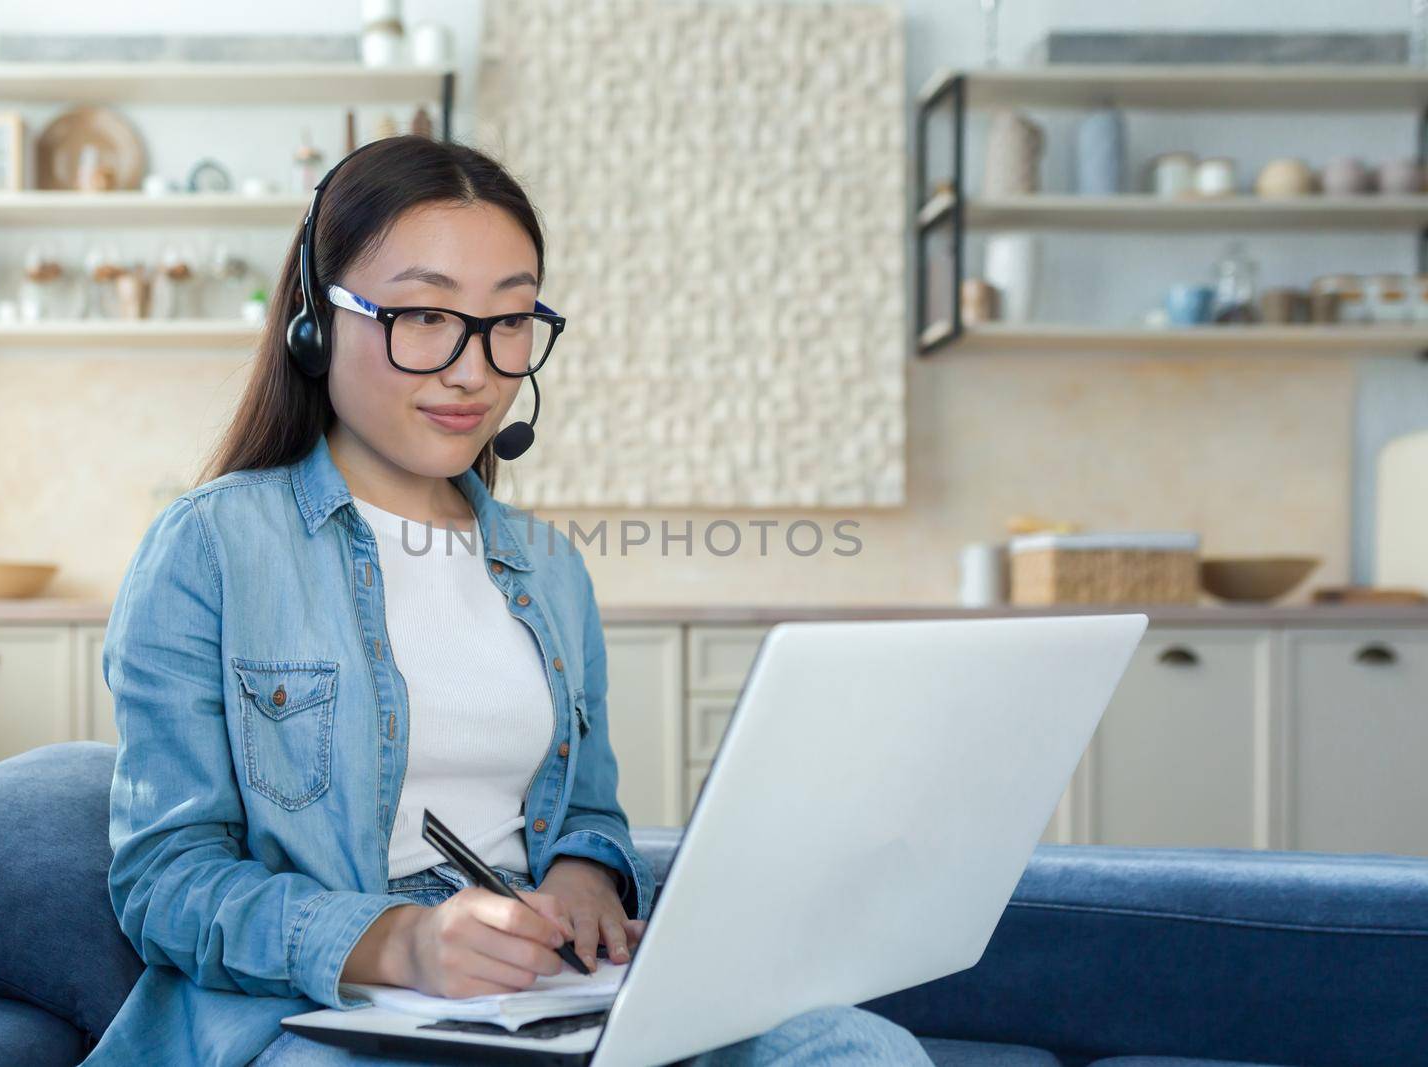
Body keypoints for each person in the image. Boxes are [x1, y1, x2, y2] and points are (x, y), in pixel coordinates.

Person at [86, 135, 934, 1067]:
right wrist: (401, 939)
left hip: (538, 989)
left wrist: (582, 880)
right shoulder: (212, 546)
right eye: (423, 315)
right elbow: (166, 882)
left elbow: (590, 814)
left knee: (857, 1048)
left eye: (510, 320)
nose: (474, 369)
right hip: (323, 1010)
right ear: (315, 320)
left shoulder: (550, 567)